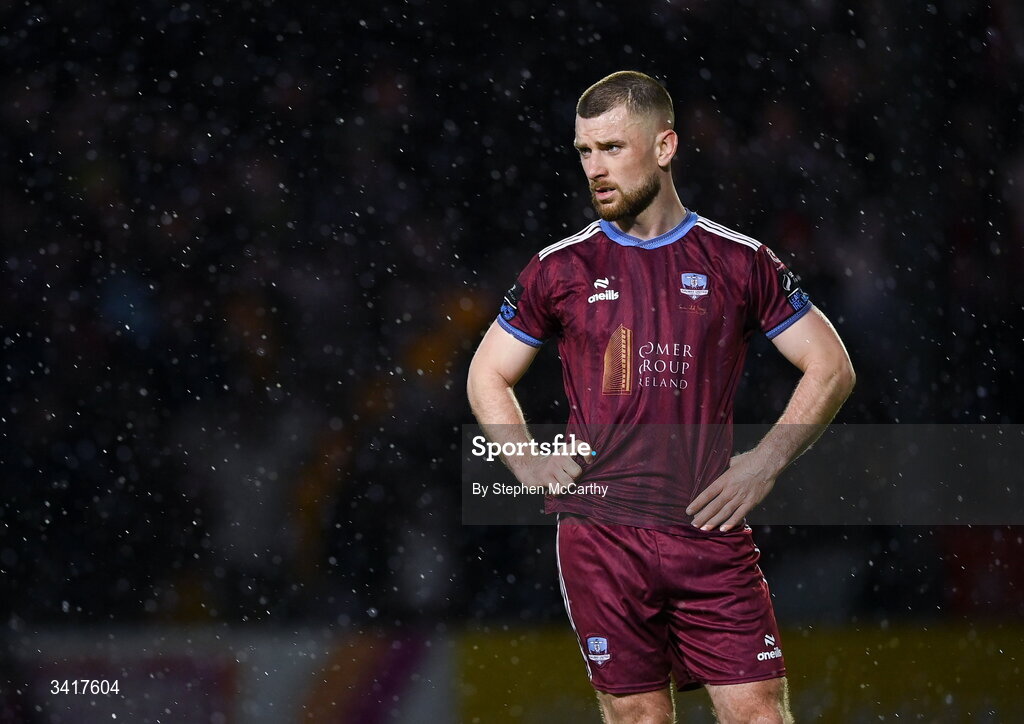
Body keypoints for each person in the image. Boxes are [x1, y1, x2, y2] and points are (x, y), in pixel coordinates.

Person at [466, 71, 854, 724]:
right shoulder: (559, 268)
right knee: (640, 717)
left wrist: (766, 461)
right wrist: (525, 461)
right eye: (585, 151)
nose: (596, 168)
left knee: (758, 713)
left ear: (666, 147)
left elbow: (831, 365)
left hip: (709, 530)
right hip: (602, 538)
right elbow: (486, 374)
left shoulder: (740, 261)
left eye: (614, 148)